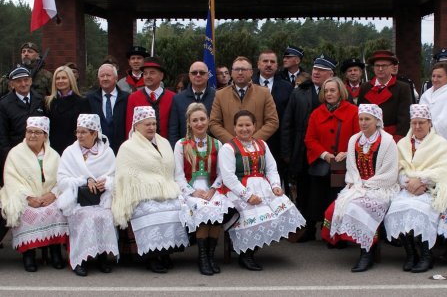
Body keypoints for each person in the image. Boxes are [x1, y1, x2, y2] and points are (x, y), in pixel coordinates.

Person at [218, 110, 305, 271]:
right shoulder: (228, 148)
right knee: (254, 214)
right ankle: (246, 254)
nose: (244, 129)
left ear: (254, 126)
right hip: (238, 190)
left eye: (248, 125)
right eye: (240, 125)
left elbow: (272, 169)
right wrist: (248, 196)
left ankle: (254, 247)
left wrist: (276, 186)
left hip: (263, 187)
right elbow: (228, 178)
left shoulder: (262, 144)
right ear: (234, 127)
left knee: (283, 206)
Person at [321, 104, 399, 272]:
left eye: (367, 119)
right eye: (361, 119)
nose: (363, 123)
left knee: (360, 208)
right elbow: (352, 168)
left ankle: (367, 252)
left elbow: (390, 174)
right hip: (358, 186)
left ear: (377, 121)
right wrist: (356, 183)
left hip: (381, 188)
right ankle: (360, 245)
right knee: (335, 208)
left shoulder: (387, 142)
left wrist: (367, 184)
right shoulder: (354, 140)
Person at [112, 106, 189, 273]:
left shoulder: (164, 142)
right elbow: (124, 174)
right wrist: (145, 187)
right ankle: (151, 256)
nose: (152, 127)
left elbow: (169, 169)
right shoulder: (128, 147)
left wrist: (163, 186)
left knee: (176, 208)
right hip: (140, 195)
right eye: (147, 124)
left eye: (154, 124)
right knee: (150, 212)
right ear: (136, 126)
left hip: (166, 190)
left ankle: (166, 251)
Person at [384, 104, 447, 273]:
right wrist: (408, 181)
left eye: (421, 123)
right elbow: (397, 168)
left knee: (420, 210)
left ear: (429, 123)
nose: (417, 127)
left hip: (430, 190)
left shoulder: (441, 144)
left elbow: (444, 169)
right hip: (408, 188)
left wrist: (422, 181)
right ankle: (411, 254)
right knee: (398, 208)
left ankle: (426, 256)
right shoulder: (403, 144)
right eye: (414, 123)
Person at [0, 116, 69, 272]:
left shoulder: (54, 155)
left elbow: (62, 179)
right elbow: (11, 180)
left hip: (48, 198)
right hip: (24, 197)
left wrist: (53, 194)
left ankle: (55, 251)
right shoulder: (15, 153)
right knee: (24, 212)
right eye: (29, 131)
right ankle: (28, 253)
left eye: (37, 132)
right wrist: (28, 198)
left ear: (45, 135)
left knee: (59, 209)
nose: (32, 135)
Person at [280, 54, 336, 241]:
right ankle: (308, 228)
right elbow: (287, 123)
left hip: (328, 152)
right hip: (302, 150)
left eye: (321, 70)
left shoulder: (335, 92)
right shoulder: (299, 92)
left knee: (327, 190)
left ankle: (330, 230)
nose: (316, 72)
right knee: (304, 191)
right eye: (314, 69)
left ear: (331, 73)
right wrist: (287, 152)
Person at [174, 102, 233, 275]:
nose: (199, 123)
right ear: (189, 123)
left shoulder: (217, 144)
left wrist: (213, 189)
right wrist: (192, 192)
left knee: (217, 208)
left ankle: (210, 255)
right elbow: (178, 175)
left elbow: (222, 173)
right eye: (195, 120)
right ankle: (202, 258)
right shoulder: (181, 144)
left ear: (208, 121)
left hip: (212, 188)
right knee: (202, 208)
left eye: (202, 119)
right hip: (190, 190)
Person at [57, 114, 118, 276]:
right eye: (77, 132)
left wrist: (106, 181)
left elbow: (116, 176)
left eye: (83, 132)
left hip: (102, 200)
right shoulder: (70, 152)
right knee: (86, 217)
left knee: (105, 216)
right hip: (78, 201)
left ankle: (102, 257)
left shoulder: (107, 152)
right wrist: (84, 180)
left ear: (94, 133)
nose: (79, 136)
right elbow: (61, 180)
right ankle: (80, 259)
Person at [304, 77, 359, 237]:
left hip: (344, 164)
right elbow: (310, 139)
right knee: (317, 198)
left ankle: (337, 234)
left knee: (338, 199)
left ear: (340, 91)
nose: (328, 93)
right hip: (322, 163)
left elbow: (358, 137)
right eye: (326, 90)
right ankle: (314, 229)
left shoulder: (353, 111)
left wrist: (347, 153)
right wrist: (325, 154)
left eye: (332, 90)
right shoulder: (316, 113)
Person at [209, 56, 278, 144]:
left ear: (251, 72)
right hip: (230, 149)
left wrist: (253, 141)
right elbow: (214, 123)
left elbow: (272, 122)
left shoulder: (264, 93)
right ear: (232, 72)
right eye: (237, 69)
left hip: (257, 148)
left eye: (244, 69)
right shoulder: (220, 95)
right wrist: (233, 142)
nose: (240, 72)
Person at [0, 66, 45, 183]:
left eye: (26, 80)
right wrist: (9, 157)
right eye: (18, 81)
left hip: (40, 155)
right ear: (11, 84)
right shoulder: (4, 104)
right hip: (16, 156)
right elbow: (2, 135)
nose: (23, 84)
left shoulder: (41, 100)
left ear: (31, 81)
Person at [252, 50, 292, 174]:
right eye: (265, 61)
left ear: (277, 65)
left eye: (272, 62)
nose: (269, 64)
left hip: (278, 144)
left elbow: (289, 118)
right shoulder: (248, 85)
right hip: (251, 140)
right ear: (258, 64)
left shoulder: (287, 87)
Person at [358, 50, 412, 141]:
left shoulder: (403, 88)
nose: (380, 69)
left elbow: (404, 118)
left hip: (392, 137)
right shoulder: (364, 87)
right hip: (368, 137)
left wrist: (397, 139)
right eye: (377, 65)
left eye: (384, 66)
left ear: (392, 68)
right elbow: (359, 114)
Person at [125, 57, 175, 139]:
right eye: (145, 73)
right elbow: (130, 127)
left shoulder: (172, 97)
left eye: (152, 73)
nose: (148, 76)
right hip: (141, 147)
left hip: (166, 146)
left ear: (161, 76)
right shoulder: (133, 97)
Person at [45, 66, 90, 155]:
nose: (60, 81)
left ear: (71, 80)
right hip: (53, 149)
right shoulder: (48, 102)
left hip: (75, 149)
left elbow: (86, 128)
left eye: (64, 78)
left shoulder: (82, 102)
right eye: (57, 78)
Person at [169, 61, 216, 147]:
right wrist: (175, 150)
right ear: (189, 76)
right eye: (194, 73)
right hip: (185, 149)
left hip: (212, 149)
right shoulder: (178, 98)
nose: (198, 75)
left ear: (208, 75)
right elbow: (173, 130)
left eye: (202, 72)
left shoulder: (217, 96)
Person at [87, 64, 129, 154]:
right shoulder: (90, 99)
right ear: (99, 79)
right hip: (97, 149)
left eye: (108, 75)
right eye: (102, 76)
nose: (105, 78)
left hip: (122, 149)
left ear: (116, 78)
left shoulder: (126, 98)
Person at [419, 62, 447, 142]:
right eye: (433, 76)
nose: (435, 79)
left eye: (439, 76)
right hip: (423, 137)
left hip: (443, 141)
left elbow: (445, 121)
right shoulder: (426, 94)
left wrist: (429, 130)